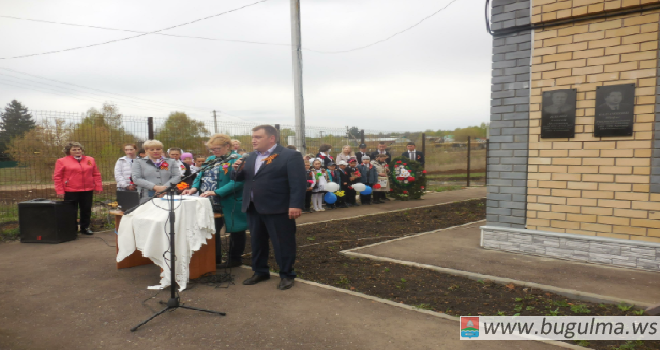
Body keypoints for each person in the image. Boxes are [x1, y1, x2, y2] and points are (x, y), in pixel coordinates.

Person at [231, 124, 306, 290]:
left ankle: (286, 274)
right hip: (253, 207)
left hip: (279, 207)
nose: (253, 140)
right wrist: (236, 169)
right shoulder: (249, 156)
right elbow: (242, 178)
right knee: (257, 242)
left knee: (283, 243)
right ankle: (260, 271)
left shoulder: (290, 155)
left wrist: (295, 204)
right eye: (253, 137)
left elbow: (298, 182)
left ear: (271, 138)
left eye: (258, 137)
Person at [183, 134, 248, 268]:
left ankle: (234, 259)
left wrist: (217, 192)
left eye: (217, 148)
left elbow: (238, 182)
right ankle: (215, 259)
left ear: (227, 146)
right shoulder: (211, 159)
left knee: (236, 231)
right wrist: (194, 188)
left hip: (230, 201)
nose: (214, 152)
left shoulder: (236, 160)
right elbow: (200, 175)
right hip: (209, 202)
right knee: (213, 231)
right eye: (212, 149)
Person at [53, 142, 103, 235]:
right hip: (71, 190)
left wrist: (98, 186)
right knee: (71, 210)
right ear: (69, 151)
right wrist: (60, 190)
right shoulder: (62, 161)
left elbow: (96, 174)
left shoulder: (90, 159)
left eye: (79, 149)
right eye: (74, 149)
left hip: (87, 189)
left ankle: (85, 227)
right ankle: (72, 229)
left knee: (86, 209)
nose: (77, 151)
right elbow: (57, 177)